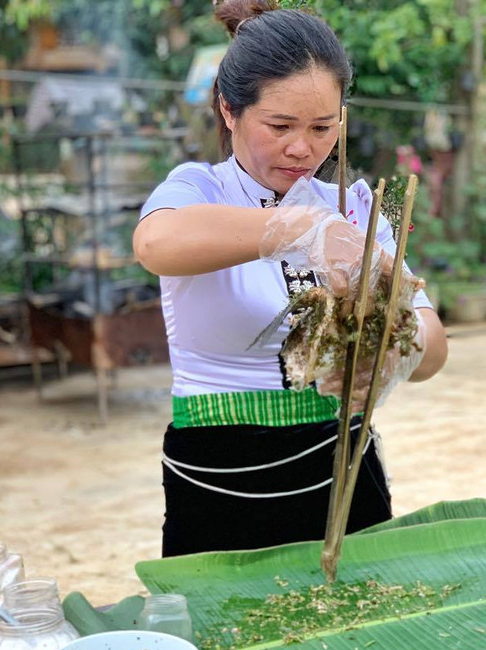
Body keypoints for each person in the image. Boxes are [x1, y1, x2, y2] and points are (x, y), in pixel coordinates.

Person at [133, 0, 448, 557]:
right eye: (279, 126)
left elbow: (433, 345)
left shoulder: (355, 206)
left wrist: (393, 349)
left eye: (323, 127)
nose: (303, 148)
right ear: (230, 111)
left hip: (344, 467)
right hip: (219, 474)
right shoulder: (198, 190)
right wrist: (297, 226)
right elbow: (156, 244)